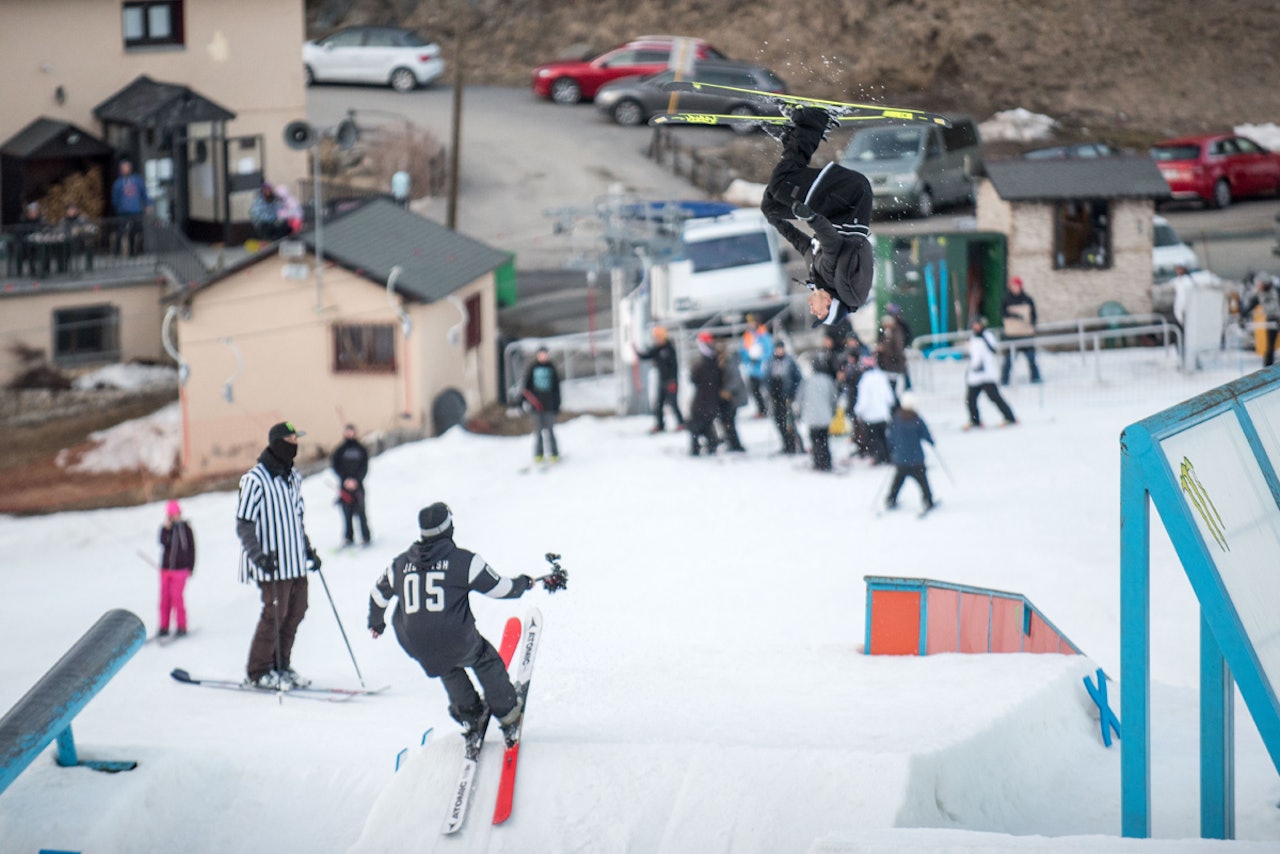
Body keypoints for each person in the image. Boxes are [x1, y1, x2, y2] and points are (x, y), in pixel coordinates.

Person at [367, 502, 541, 748]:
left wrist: (376, 623)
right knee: (483, 658)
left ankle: (470, 715)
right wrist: (523, 583)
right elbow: (500, 589)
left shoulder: (400, 564)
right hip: (457, 637)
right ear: (448, 527)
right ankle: (508, 712)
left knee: (444, 664)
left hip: (416, 642)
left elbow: (377, 595)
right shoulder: (463, 561)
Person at [760, 106, 874, 328]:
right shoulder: (833, 278)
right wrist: (811, 218)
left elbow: (802, 244)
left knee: (771, 205)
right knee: (782, 185)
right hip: (850, 196)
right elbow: (832, 242)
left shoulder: (819, 277)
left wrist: (775, 221)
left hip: (833, 209)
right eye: (818, 314)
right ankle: (814, 121)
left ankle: (795, 138)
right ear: (829, 303)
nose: (812, 310)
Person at [234, 421, 322, 690]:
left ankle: (280, 665)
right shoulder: (255, 479)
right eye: (291, 440)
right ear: (277, 444)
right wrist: (257, 555)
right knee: (275, 613)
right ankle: (258, 670)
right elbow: (244, 523)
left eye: (297, 440)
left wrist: (307, 547)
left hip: (295, 560)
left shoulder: (293, 477)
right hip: (271, 562)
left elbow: (296, 517)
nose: (295, 445)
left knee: (297, 610)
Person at [885, 392, 936, 513]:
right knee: (923, 482)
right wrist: (931, 441)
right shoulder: (916, 419)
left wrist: (891, 450)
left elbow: (890, 437)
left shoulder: (896, 419)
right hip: (916, 459)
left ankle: (891, 499)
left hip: (901, 459)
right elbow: (925, 433)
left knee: (898, 481)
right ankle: (928, 500)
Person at [965, 316, 1017, 429]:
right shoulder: (973, 338)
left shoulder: (987, 336)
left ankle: (1010, 417)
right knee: (970, 399)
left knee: (994, 397)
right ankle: (975, 421)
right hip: (975, 374)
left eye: (977, 324)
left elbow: (993, 350)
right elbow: (973, 355)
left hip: (986, 374)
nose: (976, 327)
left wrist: (984, 339)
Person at [634, 325, 684, 433]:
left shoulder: (669, 349)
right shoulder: (657, 349)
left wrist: (672, 381)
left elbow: (674, 367)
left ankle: (681, 423)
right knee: (659, 404)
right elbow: (646, 356)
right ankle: (660, 425)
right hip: (662, 381)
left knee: (673, 403)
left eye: (658, 337)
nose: (657, 339)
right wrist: (636, 351)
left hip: (671, 381)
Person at [157, 500, 195, 638]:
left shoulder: (186, 529)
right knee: (164, 600)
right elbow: (162, 542)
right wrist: (166, 529)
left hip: (181, 570)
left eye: (176, 514)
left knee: (177, 598)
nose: (174, 517)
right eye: (171, 515)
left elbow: (192, 549)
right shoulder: (165, 529)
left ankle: (181, 626)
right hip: (166, 570)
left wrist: (191, 567)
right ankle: (164, 627)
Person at [796, 353, 839, 472]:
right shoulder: (828, 381)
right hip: (825, 416)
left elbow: (800, 398)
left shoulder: (807, 381)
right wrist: (833, 411)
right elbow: (834, 398)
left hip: (811, 416)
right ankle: (826, 462)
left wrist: (799, 412)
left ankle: (818, 462)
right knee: (824, 439)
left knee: (815, 440)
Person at [331, 424, 372, 548]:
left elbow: (364, 467)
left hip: (358, 487)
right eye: (347, 432)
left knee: (361, 512)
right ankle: (348, 537)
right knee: (346, 514)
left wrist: (356, 481)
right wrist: (345, 480)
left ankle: (366, 536)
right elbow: (335, 465)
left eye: (351, 431)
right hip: (345, 487)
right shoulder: (340, 450)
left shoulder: (361, 449)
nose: (350, 434)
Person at [853, 357, 896, 465]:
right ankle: (887, 456)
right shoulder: (882, 377)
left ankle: (879, 457)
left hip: (871, 416)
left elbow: (863, 399)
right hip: (883, 414)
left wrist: (858, 411)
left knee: (874, 438)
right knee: (883, 437)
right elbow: (890, 398)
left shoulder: (865, 380)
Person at [522, 347, 561, 462]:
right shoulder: (533, 368)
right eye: (541, 354)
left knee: (550, 430)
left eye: (545, 354)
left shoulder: (551, 368)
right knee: (538, 431)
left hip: (549, 405)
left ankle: (554, 453)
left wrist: (557, 404)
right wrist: (524, 401)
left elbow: (556, 388)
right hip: (536, 406)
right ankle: (539, 454)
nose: (543, 356)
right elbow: (527, 388)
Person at [1000, 276, 1041, 384]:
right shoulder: (1006, 299)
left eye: (1016, 286)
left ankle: (1035, 378)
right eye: (1012, 286)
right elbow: (1002, 313)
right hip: (1012, 335)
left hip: (1026, 334)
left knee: (1031, 358)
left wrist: (1031, 323)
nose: (1014, 288)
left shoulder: (1027, 299)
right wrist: (1014, 315)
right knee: (1008, 360)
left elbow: (1033, 316)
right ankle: (1004, 380)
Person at [765, 339, 803, 454]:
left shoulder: (790, 361)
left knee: (789, 423)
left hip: (787, 396)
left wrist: (792, 393)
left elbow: (797, 378)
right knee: (779, 421)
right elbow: (766, 378)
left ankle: (795, 445)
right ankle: (786, 444)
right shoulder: (771, 362)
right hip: (776, 396)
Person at [687, 332, 722, 456]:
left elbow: (697, 379)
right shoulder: (713, 358)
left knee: (697, 424)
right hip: (710, 398)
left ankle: (697, 448)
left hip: (704, 398)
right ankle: (711, 444)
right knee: (706, 424)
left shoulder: (707, 359)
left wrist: (694, 372)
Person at [1238, 273, 1280, 367]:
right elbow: (1250, 306)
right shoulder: (1259, 294)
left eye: (1261, 284)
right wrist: (1242, 317)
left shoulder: (1276, 291)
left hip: (1278, 317)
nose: (1259, 287)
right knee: (1270, 346)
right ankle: (1268, 367)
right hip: (1271, 319)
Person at [111, 159, 150, 256]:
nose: (126, 169)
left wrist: (147, 204)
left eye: (127, 167)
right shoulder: (118, 183)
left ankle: (133, 252)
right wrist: (118, 208)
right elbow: (115, 198)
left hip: (136, 210)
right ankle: (117, 251)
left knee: (135, 231)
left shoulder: (137, 180)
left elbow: (144, 193)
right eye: (124, 167)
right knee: (121, 231)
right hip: (123, 212)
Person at [715, 340, 748, 452]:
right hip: (727, 398)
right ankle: (732, 443)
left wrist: (726, 390)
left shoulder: (729, 362)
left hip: (732, 398)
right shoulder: (721, 362)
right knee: (726, 422)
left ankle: (736, 445)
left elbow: (735, 380)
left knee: (729, 422)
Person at [739, 318, 773, 417]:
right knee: (756, 392)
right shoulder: (747, 337)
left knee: (768, 391)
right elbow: (742, 351)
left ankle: (770, 409)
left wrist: (759, 358)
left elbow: (769, 351)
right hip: (752, 370)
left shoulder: (764, 335)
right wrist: (749, 358)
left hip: (764, 370)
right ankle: (762, 410)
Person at [876, 313, 909, 394]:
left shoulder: (895, 333)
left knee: (895, 389)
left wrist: (883, 349)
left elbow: (897, 349)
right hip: (890, 364)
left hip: (894, 364)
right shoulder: (888, 332)